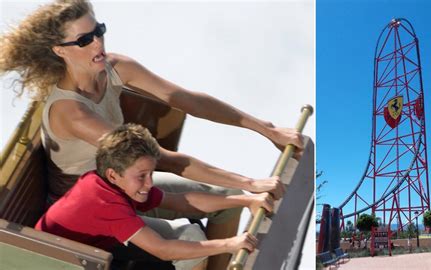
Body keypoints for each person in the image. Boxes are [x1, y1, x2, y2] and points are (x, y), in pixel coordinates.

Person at [0, 1, 303, 268]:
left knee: (225, 198)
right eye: (84, 40)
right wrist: (250, 184)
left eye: (99, 31)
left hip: (129, 182)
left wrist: (266, 130)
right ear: (59, 50)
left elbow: (186, 99)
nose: (97, 44)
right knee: (192, 241)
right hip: (95, 208)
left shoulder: (114, 67)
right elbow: (162, 159)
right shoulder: (71, 113)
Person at [36, 123, 274, 270]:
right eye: (142, 176)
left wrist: (245, 200)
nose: (149, 183)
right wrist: (228, 245)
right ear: (113, 174)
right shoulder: (105, 203)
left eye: (151, 173)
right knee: (189, 241)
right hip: (62, 262)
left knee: (191, 233)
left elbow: (181, 201)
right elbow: (163, 249)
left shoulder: (116, 184)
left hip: (95, 246)